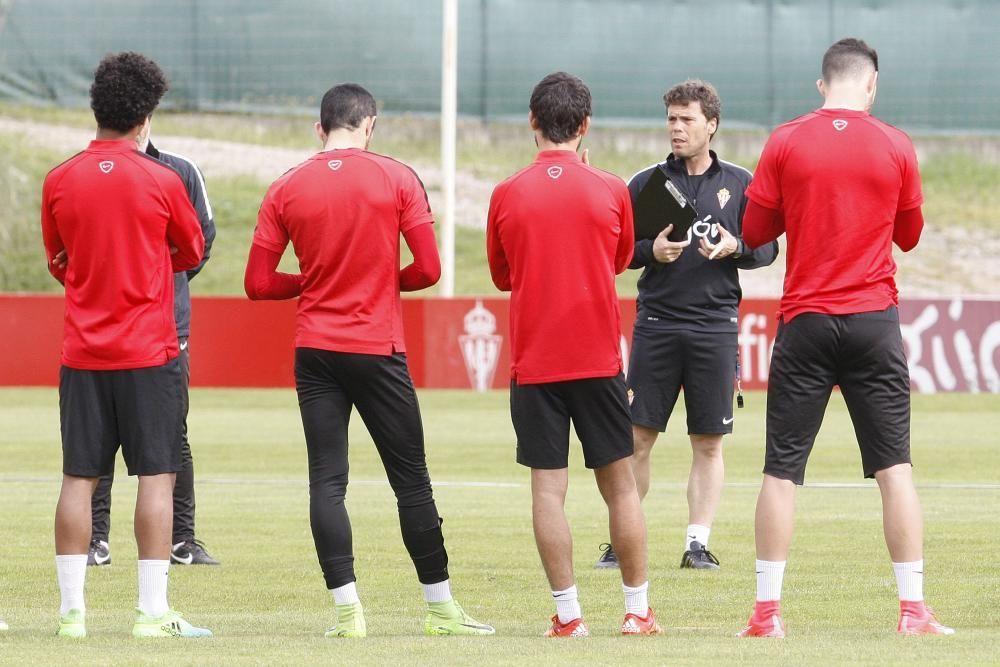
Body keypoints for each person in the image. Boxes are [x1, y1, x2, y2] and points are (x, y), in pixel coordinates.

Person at [244, 83, 494, 638]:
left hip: (316, 351)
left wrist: (309, 281)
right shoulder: (397, 177)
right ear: (370, 125)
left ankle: (347, 612)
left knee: (327, 484)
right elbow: (428, 270)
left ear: (320, 128)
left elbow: (258, 284)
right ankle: (441, 609)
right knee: (412, 482)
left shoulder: (286, 187)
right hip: (377, 348)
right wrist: (381, 282)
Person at [737, 38, 953, 638]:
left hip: (806, 320)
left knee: (781, 470)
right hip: (872, 319)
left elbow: (755, 230)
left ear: (821, 84)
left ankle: (766, 614)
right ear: (872, 84)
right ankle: (912, 610)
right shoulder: (895, 144)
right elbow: (909, 235)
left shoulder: (785, 140)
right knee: (895, 469)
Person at [41, 51, 211, 638]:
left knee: (77, 479)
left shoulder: (59, 179)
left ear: (96, 110)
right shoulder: (163, 179)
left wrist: (97, 277)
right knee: (157, 476)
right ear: (146, 118)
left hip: (83, 353)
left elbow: (58, 259)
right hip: (150, 352)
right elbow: (191, 253)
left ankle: (71, 616)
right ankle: (151, 612)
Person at [487, 71, 662, 637]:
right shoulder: (610, 188)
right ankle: (637, 612)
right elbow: (616, 258)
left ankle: (569, 617)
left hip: (536, 362)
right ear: (585, 126)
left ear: (532, 122)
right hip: (598, 360)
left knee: (547, 489)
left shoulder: (507, 193)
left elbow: (501, 274)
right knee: (620, 485)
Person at [595, 80, 778, 571]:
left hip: (715, 326)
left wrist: (734, 246)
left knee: (708, 441)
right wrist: (648, 251)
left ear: (711, 125)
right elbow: (615, 253)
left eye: (687, 119)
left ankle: (697, 544)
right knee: (637, 438)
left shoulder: (741, 183)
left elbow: (767, 248)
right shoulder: (647, 183)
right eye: (672, 119)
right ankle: (623, 538)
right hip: (657, 323)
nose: (676, 128)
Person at [77, 134, 218, 568]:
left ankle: (182, 540)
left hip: (165, 329)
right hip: (103, 329)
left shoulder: (180, 170)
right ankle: (96, 541)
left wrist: (158, 284)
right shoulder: (84, 172)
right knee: (97, 439)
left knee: (173, 435)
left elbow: (201, 240)